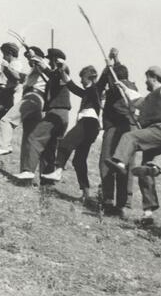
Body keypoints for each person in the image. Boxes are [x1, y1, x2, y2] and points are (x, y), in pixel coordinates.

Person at [103, 66, 161, 226]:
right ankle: (148, 213)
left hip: (158, 132)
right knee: (145, 172)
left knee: (130, 137)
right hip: (154, 135)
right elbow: (137, 100)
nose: (145, 81)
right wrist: (124, 88)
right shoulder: (149, 98)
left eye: (146, 78)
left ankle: (120, 163)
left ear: (153, 77)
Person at [41, 64, 107, 202]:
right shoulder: (87, 92)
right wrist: (61, 71)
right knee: (79, 160)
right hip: (90, 127)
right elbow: (71, 86)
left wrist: (111, 62)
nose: (81, 81)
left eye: (83, 78)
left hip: (88, 123)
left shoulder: (95, 89)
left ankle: (58, 171)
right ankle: (86, 193)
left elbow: (100, 83)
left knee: (65, 143)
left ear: (90, 78)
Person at [14, 48, 71, 182]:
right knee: (49, 148)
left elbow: (58, 71)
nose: (48, 61)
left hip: (56, 113)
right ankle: (47, 182)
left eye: (49, 59)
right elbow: (50, 74)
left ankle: (28, 171)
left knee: (34, 137)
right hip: (62, 115)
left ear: (54, 60)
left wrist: (37, 58)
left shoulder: (61, 71)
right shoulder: (54, 76)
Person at [98, 52, 141, 215]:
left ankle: (109, 199)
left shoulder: (119, 86)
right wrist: (115, 61)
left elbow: (111, 82)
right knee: (124, 165)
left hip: (116, 128)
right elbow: (119, 74)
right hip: (128, 130)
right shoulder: (131, 86)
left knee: (108, 162)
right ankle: (122, 203)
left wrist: (109, 68)